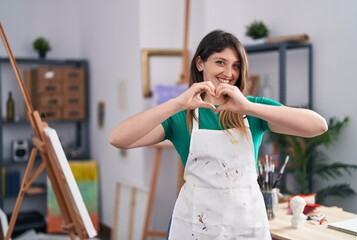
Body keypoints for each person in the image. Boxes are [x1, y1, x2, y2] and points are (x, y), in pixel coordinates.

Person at [109, 30, 328, 239]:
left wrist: (248, 107)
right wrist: (178, 103)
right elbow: (118, 138)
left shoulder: (253, 110)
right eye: (220, 62)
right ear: (200, 63)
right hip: (195, 227)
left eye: (236, 66)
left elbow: (317, 126)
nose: (229, 73)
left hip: (245, 227)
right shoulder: (180, 117)